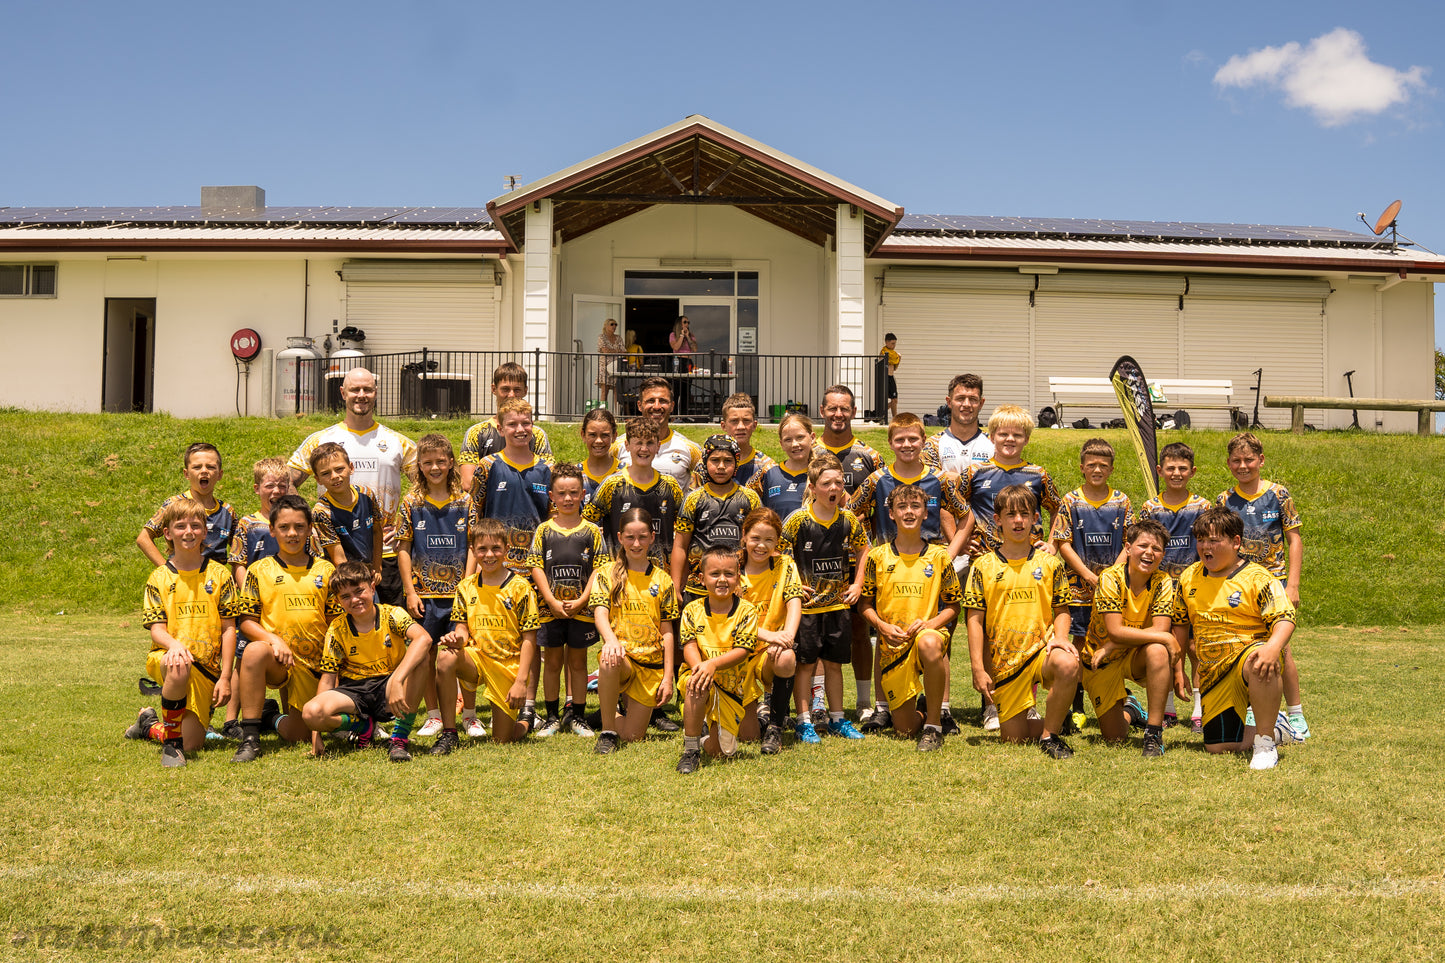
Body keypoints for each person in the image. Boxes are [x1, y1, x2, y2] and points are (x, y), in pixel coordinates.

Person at [849, 411, 966, 731]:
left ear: (923, 440)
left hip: (930, 564)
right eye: (900, 439)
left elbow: (966, 516)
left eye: (913, 438)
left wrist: (950, 552)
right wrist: (868, 548)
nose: (907, 444)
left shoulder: (939, 478)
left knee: (936, 638)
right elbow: (849, 513)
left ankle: (940, 708)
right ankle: (882, 707)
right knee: (885, 633)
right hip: (890, 564)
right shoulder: (877, 480)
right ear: (890, 443)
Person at [1171, 506, 1297, 770]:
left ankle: (1264, 743)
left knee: (1261, 658)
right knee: (1219, 747)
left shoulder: (1258, 577)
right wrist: (1178, 666)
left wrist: (1273, 648)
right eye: (1201, 540)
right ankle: (1278, 728)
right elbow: (1181, 625)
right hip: (1213, 672)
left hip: (1248, 658)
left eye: (1214, 540)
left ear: (1236, 542)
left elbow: (1285, 617)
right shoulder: (1188, 577)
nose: (1206, 546)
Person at [963, 485, 1080, 760]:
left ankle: (1050, 735)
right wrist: (978, 669)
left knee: (1067, 662)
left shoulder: (1050, 563)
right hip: (1005, 661)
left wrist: (1061, 638)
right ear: (997, 520)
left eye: (1025, 514)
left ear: (1035, 518)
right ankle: (1056, 719)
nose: (1018, 521)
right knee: (1013, 738)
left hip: (1042, 652)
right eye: (1011, 514)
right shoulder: (983, 566)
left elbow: (1062, 609)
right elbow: (974, 621)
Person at [288, 367, 417, 606]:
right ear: (342, 393)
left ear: (375, 393)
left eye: (367, 389)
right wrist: (308, 523)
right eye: (354, 389)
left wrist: (404, 523)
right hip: (334, 551)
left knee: (388, 628)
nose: (361, 394)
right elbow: (286, 481)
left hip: (384, 552)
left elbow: (428, 484)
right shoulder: (320, 440)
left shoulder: (397, 442)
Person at [126, 499, 240, 767]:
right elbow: (157, 629)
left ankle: (148, 724)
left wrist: (224, 677)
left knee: (194, 743)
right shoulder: (159, 577)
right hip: (168, 659)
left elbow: (229, 629)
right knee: (177, 662)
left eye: (195, 526)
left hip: (207, 669)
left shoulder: (219, 574)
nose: (188, 531)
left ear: (205, 531)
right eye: (180, 526)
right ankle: (172, 747)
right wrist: (175, 645)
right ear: (167, 533)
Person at [230, 495, 343, 762]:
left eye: (299, 527)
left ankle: (271, 716)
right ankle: (250, 738)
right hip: (279, 660)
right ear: (272, 530)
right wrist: (273, 640)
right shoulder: (259, 570)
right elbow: (246, 621)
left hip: (315, 664)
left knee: (298, 734)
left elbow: (336, 625)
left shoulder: (325, 570)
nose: (292, 534)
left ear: (309, 529)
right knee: (255, 651)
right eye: (284, 527)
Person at [1215, 432, 1309, 740]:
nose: (1243, 466)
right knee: (1246, 645)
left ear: (1261, 460)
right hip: (1239, 584)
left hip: (1274, 583)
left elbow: (1294, 539)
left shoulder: (1279, 494)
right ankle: (1256, 707)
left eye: (1249, 460)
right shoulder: (1224, 500)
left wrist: (1292, 585)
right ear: (1229, 463)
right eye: (1237, 461)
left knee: (1281, 649)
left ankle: (1295, 714)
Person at [859, 484, 962, 752]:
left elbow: (953, 606)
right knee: (904, 729)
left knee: (928, 642)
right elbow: (865, 605)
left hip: (928, 635)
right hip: (893, 645)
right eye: (902, 507)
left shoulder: (939, 556)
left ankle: (935, 725)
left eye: (915, 506)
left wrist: (929, 625)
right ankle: (918, 712)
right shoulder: (877, 557)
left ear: (926, 513)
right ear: (891, 514)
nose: (908, 512)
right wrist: (881, 626)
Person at [301, 561, 433, 762]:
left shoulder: (392, 615)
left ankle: (399, 739)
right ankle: (364, 727)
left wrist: (397, 680)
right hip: (354, 692)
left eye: (359, 591)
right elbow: (328, 680)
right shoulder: (337, 629)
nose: (354, 599)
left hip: (389, 687)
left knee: (422, 659)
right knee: (311, 713)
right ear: (338, 601)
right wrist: (315, 735)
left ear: (372, 588)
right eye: (345, 596)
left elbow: (424, 638)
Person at [780, 455, 869, 744]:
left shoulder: (848, 520)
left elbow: (864, 549)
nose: (834, 488)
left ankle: (837, 719)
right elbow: (779, 555)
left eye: (839, 483)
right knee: (805, 665)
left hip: (838, 605)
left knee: (834, 664)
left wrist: (857, 584)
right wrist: (793, 585)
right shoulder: (798, 521)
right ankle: (804, 721)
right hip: (807, 609)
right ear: (812, 487)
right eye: (826, 483)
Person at [432, 520, 543, 751]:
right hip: (478, 658)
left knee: (503, 739)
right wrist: (457, 640)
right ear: (473, 551)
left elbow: (530, 640)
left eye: (496, 548)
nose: (489, 555)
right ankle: (449, 733)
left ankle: (525, 722)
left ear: (507, 550)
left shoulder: (521, 588)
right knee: (446, 657)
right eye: (482, 549)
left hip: (508, 665)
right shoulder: (466, 587)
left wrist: (522, 682)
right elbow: (461, 628)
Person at [1079, 519, 1185, 758]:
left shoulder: (1163, 582)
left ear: (1163, 554)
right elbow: (1115, 629)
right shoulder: (1110, 578)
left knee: (1158, 649)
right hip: (1100, 660)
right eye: (1143, 546)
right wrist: (1114, 641)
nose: (1149, 553)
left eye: (1156, 549)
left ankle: (1154, 733)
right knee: (1115, 737)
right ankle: (1132, 710)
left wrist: (1114, 643)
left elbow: (1160, 631)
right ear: (1128, 549)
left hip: (1134, 654)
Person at [1049, 437, 1132, 731]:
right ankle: (1076, 705)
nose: (1097, 469)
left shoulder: (1122, 501)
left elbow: (1129, 542)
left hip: (1111, 588)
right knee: (1080, 643)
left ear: (1111, 469)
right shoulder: (1070, 501)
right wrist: (1086, 574)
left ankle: (1115, 700)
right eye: (1092, 464)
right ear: (1082, 467)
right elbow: (1062, 541)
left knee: (1111, 641)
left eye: (1103, 465)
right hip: (1078, 588)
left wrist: (1111, 574)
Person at [814, 384, 885, 726]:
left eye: (844, 408)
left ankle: (863, 702)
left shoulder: (870, 455)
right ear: (822, 410)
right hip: (816, 557)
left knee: (860, 628)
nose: (838, 414)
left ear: (853, 412)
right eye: (832, 408)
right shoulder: (809, 451)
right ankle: (815, 704)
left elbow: (886, 502)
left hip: (858, 557)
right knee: (813, 631)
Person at [395, 434, 472, 739]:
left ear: (451, 462)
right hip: (423, 593)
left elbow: (473, 546)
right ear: (419, 466)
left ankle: (468, 713)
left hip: (458, 593)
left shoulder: (465, 502)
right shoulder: (412, 503)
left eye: (441, 460)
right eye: (428, 462)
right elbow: (403, 547)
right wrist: (410, 591)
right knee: (425, 655)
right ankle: (433, 715)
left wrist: (467, 586)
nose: (435, 467)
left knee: (459, 651)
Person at [590, 508, 680, 754]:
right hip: (622, 659)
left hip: (650, 666)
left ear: (652, 537)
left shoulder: (663, 580)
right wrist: (610, 640)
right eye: (630, 537)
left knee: (632, 737)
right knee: (610, 659)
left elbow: (668, 632)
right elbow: (600, 612)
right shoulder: (607, 573)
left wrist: (668, 676)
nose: (636, 543)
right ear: (620, 538)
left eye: (642, 537)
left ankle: (611, 709)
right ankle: (608, 730)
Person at [527, 464, 605, 738]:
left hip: (581, 610)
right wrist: (550, 600)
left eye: (574, 492)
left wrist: (584, 600)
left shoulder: (592, 531)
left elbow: (599, 568)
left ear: (583, 493)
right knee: (552, 662)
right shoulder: (544, 530)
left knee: (578, 662)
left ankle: (578, 716)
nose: (568, 498)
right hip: (550, 610)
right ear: (551, 496)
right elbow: (535, 566)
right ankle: (551, 717)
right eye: (562, 493)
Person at [1138, 440, 1211, 731]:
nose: (1176, 473)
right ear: (1160, 470)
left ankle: (1198, 710)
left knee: (1195, 648)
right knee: (1162, 647)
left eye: (1182, 468)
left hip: (1195, 589)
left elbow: (1209, 545)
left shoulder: (1202, 506)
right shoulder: (1150, 507)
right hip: (1160, 591)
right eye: (1170, 468)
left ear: (1192, 471)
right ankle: (1165, 708)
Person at [676, 547, 763, 774]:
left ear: (738, 577)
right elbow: (689, 645)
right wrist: (701, 668)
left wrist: (712, 664)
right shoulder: (691, 609)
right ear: (702, 578)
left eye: (729, 574)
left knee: (723, 751)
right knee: (697, 683)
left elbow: (743, 650)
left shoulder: (747, 611)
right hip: (699, 675)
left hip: (733, 687)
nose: (722, 579)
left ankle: (705, 730)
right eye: (715, 574)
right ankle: (691, 750)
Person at [221, 456, 291, 738]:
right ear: (257, 488)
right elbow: (239, 563)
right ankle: (230, 720)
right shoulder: (248, 524)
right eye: (270, 485)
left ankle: (289, 714)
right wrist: (251, 597)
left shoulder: (294, 520)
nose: (276, 491)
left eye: (282, 485)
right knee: (243, 656)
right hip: (254, 605)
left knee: (289, 653)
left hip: (286, 603)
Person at [738, 507, 803, 755]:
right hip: (735, 653)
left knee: (786, 658)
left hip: (769, 651)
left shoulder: (785, 564)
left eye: (769, 540)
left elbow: (794, 601)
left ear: (777, 542)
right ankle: (760, 716)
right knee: (747, 735)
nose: (761, 546)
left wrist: (785, 638)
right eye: (755, 538)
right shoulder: (732, 566)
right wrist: (770, 635)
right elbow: (731, 619)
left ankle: (775, 727)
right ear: (744, 535)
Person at [468, 398, 552, 584]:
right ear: (500, 429)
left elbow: (554, 521)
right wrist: (476, 562)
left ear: (533, 426)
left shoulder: (548, 469)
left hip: (536, 567)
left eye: (525, 423)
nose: (520, 429)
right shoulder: (487, 466)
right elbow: (473, 515)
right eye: (512, 424)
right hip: (495, 564)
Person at [672, 434, 761, 609]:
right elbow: (681, 545)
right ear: (705, 462)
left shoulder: (750, 498)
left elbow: (760, 541)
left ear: (736, 463)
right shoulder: (693, 499)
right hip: (698, 589)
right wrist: (675, 586)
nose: (721, 466)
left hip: (738, 588)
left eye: (728, 461)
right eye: (715, 460)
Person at [587, 417, 685, 566]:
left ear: (658, 446)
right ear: (627, 445)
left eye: (650, 443)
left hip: (660, 577)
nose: (644, 449)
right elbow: (586, 523)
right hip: (619, 575)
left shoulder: (670, 485)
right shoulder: (612, 485)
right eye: (638, 443)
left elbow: (685, 530)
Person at [459, 361, 554, 494]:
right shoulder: (477, 433)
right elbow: (468, 482)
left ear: (525, 390)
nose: (511, 395)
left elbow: (549, 478)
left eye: (517, 390)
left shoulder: (536, 434)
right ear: (494, 389)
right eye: (505, 389)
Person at [137, 442, 236, 569]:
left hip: (215, 583)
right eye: (197, 467)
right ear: (186, 474)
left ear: (220, 474)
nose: (204, 471)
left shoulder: (227, 512)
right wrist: (166, 570)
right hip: (182, 581)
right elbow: (143, 538)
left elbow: (240, 549)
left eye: (210, 467)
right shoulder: (173, 505)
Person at [308, 442, 383, 583]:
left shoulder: (366, 494)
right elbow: (339, 559)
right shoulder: (322, 512)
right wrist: (357, 582)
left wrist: (377, 567)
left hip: (370, 573)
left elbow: (377, 531)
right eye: (325, 473)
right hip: (345, 578)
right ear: (318, 479)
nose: (334, 476)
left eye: (339, 469)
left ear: (351, 468)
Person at [615, 376, 702, 490]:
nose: (657, 406)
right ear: (640, 406)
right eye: (651, 401)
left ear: (672, 406)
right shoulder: (617, 446)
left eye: (663, 401)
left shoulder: (689, 448)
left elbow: (704, 489)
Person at [693, 392, 775, 489]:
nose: (741, 427)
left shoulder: (766, 467)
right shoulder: (705, 465)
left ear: (754, 425)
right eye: (734, 421)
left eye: (746, 420)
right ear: (723, 426)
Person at [748, 411, 815, 522]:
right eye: (788, 440)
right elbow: (744, 502)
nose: (795, 444)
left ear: (812, 438)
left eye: (800, 437)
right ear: (781, 444)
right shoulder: (767, 474)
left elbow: (846, 507)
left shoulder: (822, 474)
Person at [922, 374, 994, 476]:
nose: (966, 404)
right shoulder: (932, 445)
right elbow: (928, 482)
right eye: (960, 398)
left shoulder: (994, 444)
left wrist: (947, 476)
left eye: (973, 399)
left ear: (981, 403)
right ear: (949, 402)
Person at [579, 407, 620, 507]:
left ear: (614, 436)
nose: (598, 441)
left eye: (604, 435)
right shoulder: (575, 475)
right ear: (583, 435)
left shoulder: (625, 473)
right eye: (592, 435)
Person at [669, 315, 698, 417]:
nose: (687, 324)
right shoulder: (673, 335)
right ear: (679, 324)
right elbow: (675, 347)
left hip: (688, 362)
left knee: (686, 390)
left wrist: (688, 337)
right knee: (676, 389)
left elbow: (694, 349)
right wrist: (681, 336)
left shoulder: (691, 335)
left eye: (688, 322)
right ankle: (673, 416)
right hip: (678, 361)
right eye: (685, 322)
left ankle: (684, 416)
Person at [596, 318, 624, 409]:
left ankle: (617, 415)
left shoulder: (618, 338)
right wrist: (617, 351)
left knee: (617, 391)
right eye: (612, 324)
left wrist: (612, 351)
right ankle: (602, 413)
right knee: (605, 391)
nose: (614, 326)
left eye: (616, 324)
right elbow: (605, 350)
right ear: (606, 326)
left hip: (616, 366)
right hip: (604, 366)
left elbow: (624, 351)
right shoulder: (601, 337)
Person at [879, 332, 901, 419]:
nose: (894, 345)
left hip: (891, 377)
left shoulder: (895, 354)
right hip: (885, 378)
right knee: (885, 399)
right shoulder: (884, 352)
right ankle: (881, 413)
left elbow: (895, 368)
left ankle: (894, 418)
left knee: (894, 400)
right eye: (892, 343)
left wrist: (899, 360)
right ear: (886, 342)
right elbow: (881, 366)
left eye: (895, 343)